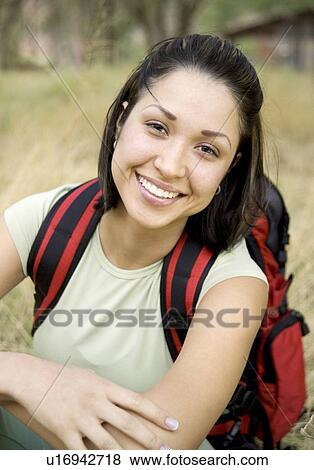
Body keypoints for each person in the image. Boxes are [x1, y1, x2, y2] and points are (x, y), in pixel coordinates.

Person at [0, 34, 269, 450]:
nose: (171, 165)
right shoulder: (47, 220)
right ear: (122, 120)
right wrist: (23, 376)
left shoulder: (233, 283)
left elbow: (149, 451)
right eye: (158, 127)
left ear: (229, 169)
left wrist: (24, 397)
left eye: (207, 149)